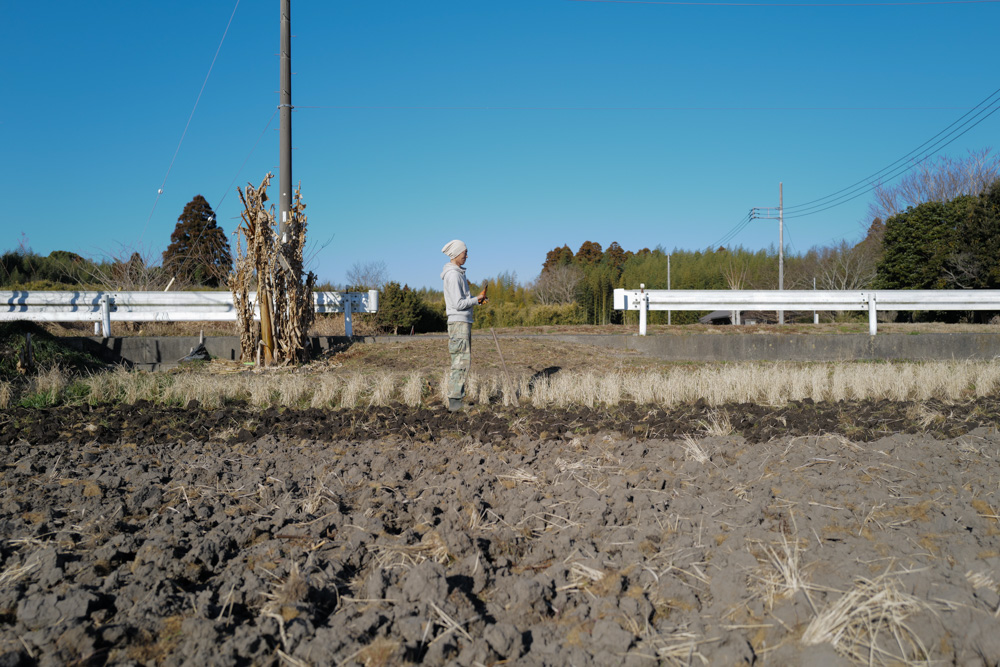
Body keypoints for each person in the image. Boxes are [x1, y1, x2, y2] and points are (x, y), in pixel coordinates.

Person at [441, 240, 487, 412]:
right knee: (460, 362)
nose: (467, 255)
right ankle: (455, 404)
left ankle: (456, 401)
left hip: (462, 322)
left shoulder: (458, 274)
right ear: (456, 254)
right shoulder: (453, 275)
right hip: (458, 323)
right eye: (464, 253)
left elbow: (461, 302)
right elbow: (458, 304)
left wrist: (476, 300)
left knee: (462, 361)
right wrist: (476, 300)